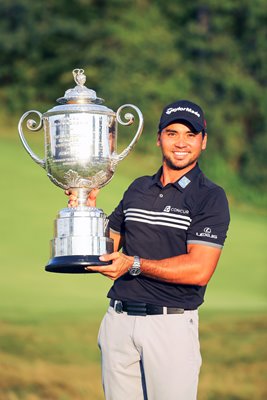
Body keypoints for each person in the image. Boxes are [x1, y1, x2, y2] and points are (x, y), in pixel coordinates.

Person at [68, 100, 230, 400]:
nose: (180, 142)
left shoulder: (210, 197)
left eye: (190, 135)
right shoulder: (138, 188)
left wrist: (134, 264)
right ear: (159, 139)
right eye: (171, 133)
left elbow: (199, 270)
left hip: (170, 326)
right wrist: (86, 209)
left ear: (203, 142)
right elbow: (107, 250)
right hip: (118, 322)